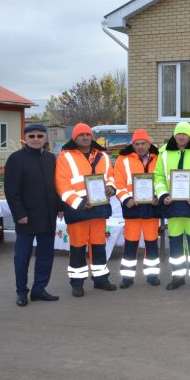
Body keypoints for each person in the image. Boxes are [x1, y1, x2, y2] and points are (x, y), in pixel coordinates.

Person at [55, 123, 118, 297]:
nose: (85, 137)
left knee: (99, 246)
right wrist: (81, 203)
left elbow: (110, 177)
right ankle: (77, 283)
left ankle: (101, 280)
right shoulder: (65, 157)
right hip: (78, 210)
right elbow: (62, 186)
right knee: (77, 248)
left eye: (87, 134)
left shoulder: (103, 156)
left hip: (99, 209)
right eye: (81, 134)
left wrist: (111, 188)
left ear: (92, 137)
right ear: (74, 138)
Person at [4, 124, 62, 307]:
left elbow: (57, 186)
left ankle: (39, 289)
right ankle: (21, 292)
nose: (36, 139)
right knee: (22, 257)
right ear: (26, 139)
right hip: (26, 218)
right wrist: (19, 214)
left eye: (39, 136)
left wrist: (60, 207)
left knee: (45, 256)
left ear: (45, 138)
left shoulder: (51, 158)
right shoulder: (16, 159)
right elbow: (11, 191)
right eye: (32, 136)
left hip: (47, 216)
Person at [154, 122, 190, 290]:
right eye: (178, 133)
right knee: (175, 243)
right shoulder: (164, 152)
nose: (181, 137)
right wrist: (163, 195)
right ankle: (177, 276)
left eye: (184, 134)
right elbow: (159, 177)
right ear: (174, 135)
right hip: (172, 205)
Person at [114, 129, 162, 289]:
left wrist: (159, 197)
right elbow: (118, 183)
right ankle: (127, 278)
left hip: (152, 208)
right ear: (132, 145)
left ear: (149, 144)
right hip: (132, 208)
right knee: (130, 244)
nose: (140, 147)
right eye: (137, 144)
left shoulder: (159, 158)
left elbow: (164, 180)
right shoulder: (123, 159)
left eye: (143, 143)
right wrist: (125, 199)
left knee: (152, 244)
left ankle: (152, 275)